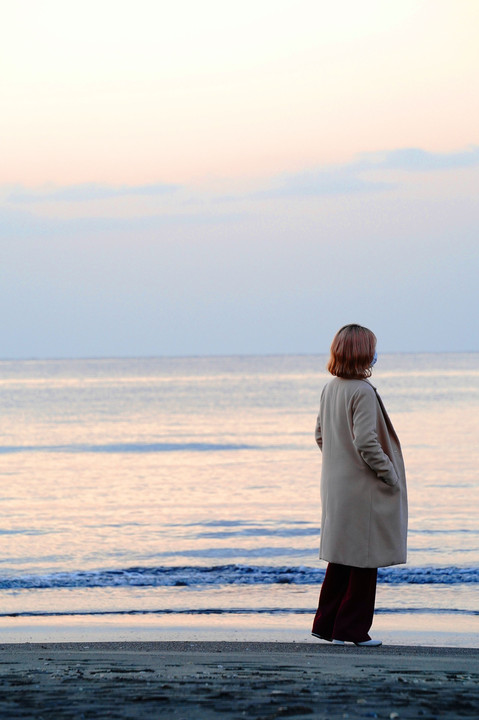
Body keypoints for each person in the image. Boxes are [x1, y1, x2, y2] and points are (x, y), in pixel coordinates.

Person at [311, 324, 407, 647]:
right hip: (361, 489)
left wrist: (339, 462)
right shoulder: (362, 391)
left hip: (336, 487)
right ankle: (351, 630)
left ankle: (327, 625)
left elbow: (320, 436)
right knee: (366, 558)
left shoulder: (330, 388)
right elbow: (366, 442)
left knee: (342, 556)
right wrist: (389, 474)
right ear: (363, 353)